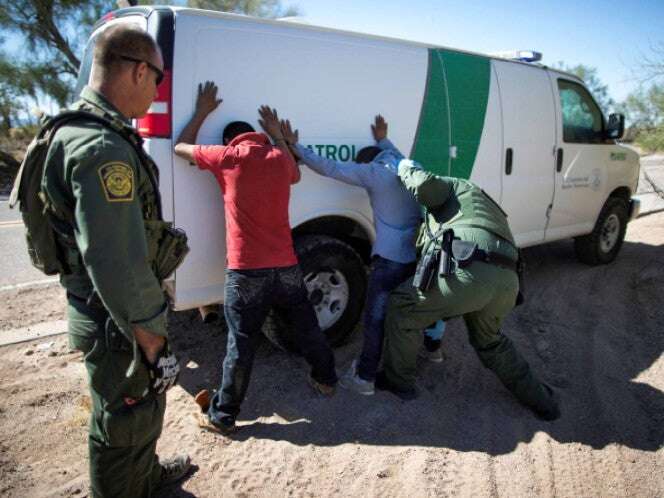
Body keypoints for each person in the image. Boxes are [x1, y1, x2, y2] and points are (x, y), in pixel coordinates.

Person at [41, 24, 190, 497]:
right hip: (119, 321)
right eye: (159, 80)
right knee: (123, 421)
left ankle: (144, 479)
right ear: (140, 71)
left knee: (137, 413)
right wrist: (152, 338)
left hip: (104, 312)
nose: (157, 91)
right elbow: (119, 263)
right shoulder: (103, 149)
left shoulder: (75, 130)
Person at [174, 81, 337, 434]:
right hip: (287, 266)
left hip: (247, 273)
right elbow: (294, 173)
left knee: (241, 343)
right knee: (306, 326)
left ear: (229, 142)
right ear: (258, 137)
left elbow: (180, 147)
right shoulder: (280, 160)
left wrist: (202, 112)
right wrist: (279, 136)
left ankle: (223, 416)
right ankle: (326, 379)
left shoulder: (227, 158)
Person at [377, 159, 560, 421]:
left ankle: (398, 381)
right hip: (508, 278)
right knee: (491, 342)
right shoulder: (482, 203)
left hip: (469, 269)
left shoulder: (453, 186)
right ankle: (542, 401)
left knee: (403, 307)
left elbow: (426, 186)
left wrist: (404, 166)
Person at [280, 115, 425, 394]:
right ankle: (424, 355)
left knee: (375, 319)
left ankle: (366, 378)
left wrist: (297, 148)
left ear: (367, 163)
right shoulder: (407, 166)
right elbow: (394, 153)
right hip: (415, 254)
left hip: (390, 258)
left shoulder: (373, 172)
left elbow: (330, 167)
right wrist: (383, 138)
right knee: (405, 315)